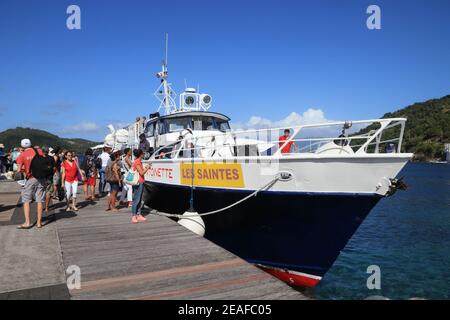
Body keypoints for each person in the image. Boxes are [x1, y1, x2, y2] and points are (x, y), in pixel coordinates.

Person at [15, 139, 45, 229]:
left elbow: (19, 170)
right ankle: (39, 223)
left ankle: (27, 222)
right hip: (41, 178)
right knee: (39, 200)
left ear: (22, 146)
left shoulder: (22, 155)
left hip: (30, 178)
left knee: (26, 200)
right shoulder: (39, 151)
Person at [131, 149, 151, 223]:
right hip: (138, 182)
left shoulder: (137, 161)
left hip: (140, 182)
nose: (144, 155)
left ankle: (138, 214)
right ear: (140, 154)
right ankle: (134, 215)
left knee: (139, 199)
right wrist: (147, 168)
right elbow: (142, 173)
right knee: (136, 199)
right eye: (143, 153)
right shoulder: (138, 162)